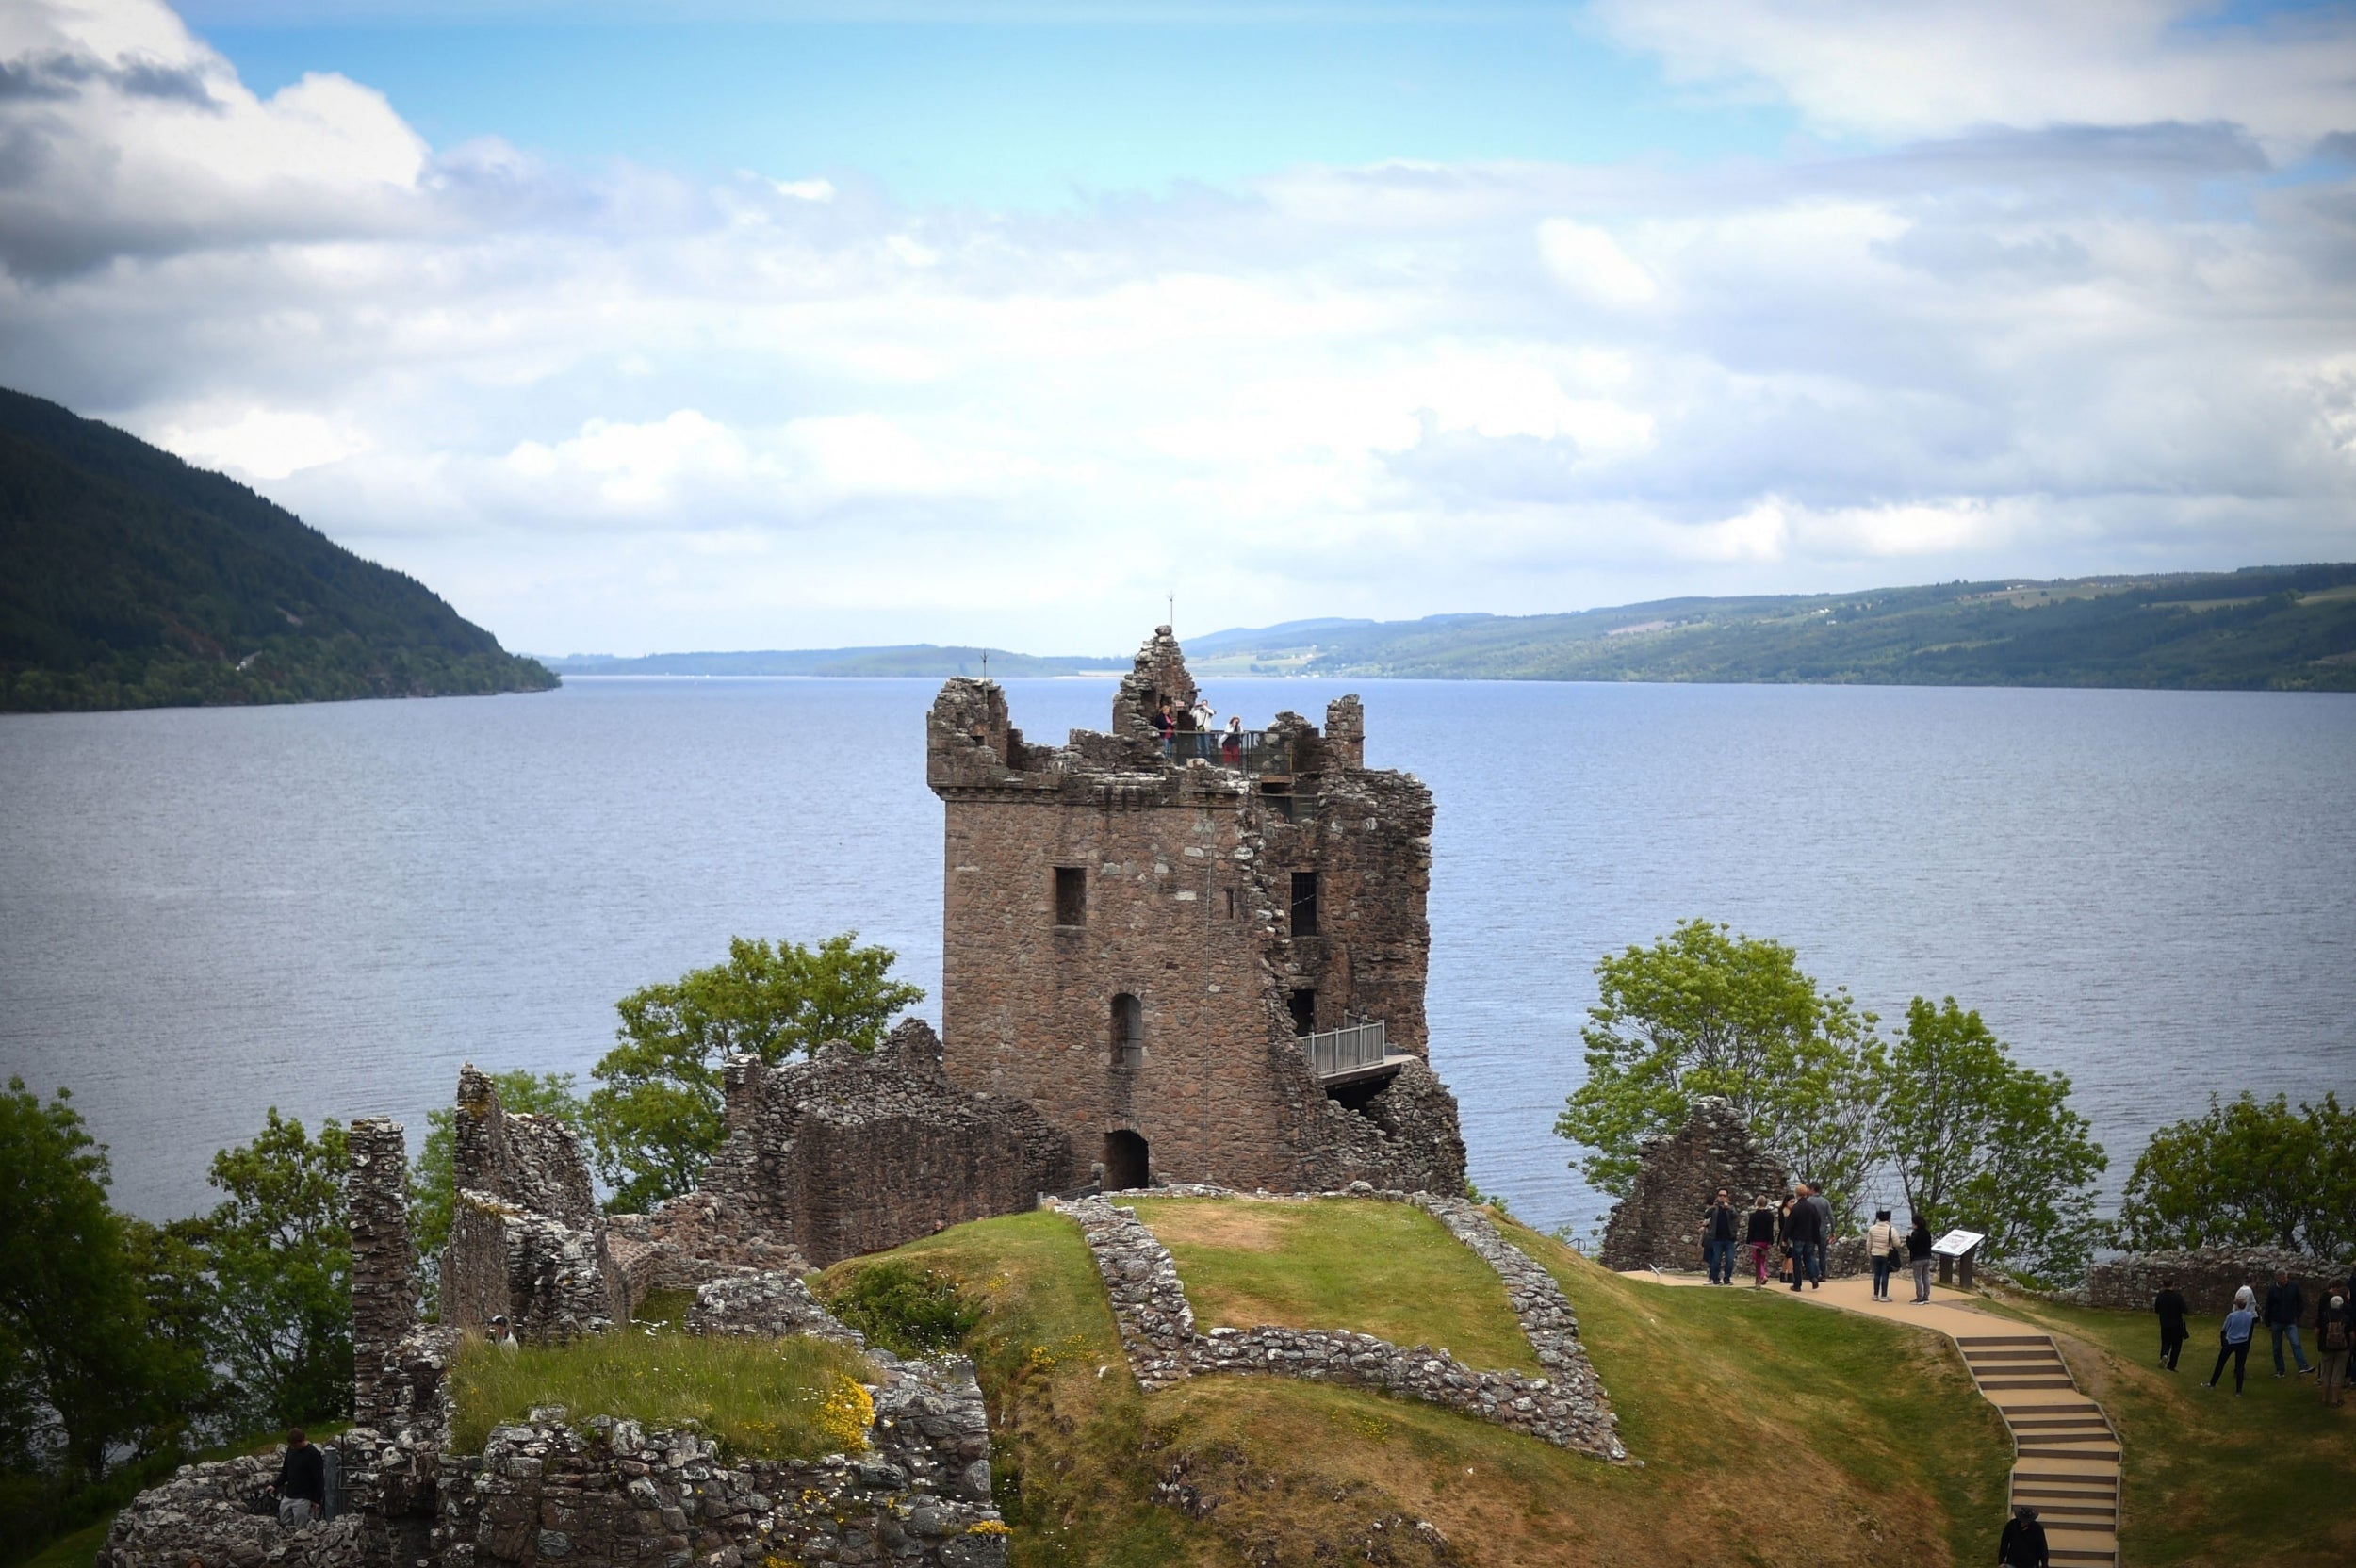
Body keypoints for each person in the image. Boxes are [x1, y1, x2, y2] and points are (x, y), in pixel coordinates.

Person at [2206, 1290, 2259, 1394]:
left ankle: (2212, 1383)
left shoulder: (2232, 1316)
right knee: (2240, 1367)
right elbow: (2256, 1319)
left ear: (2236, 1305)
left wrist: (2224, 1341)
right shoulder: (2249, 1316)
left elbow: (2224, 1329)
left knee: (2221, 1363)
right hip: (2243, 1342)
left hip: (2231, 1341)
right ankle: (2239, 1391)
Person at [2263, 1268, 2310, 1379]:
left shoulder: (2294, 1287)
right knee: (2277, 1347)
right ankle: (2280, 1370)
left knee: (2296, 1343)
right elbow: (2268, 1306)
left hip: (2290, 1321)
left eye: (2286, 1279)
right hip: (2276, 1321)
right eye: (2283, 1280)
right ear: (2277, 1280)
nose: (2285, 1282)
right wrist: (2268, 1321)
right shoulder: (2273, 1290)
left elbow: (2300, 1302)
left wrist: (2296, 1316)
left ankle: (2303, 1366)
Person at [277, 1429, 324, 1527]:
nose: (293, 1447)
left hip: (304, 1497)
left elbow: (318, 1478)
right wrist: (274, 1485)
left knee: (300, 1527)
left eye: (294, 1445)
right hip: (289, 1495)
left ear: (301, 1441)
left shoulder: (313, 1454)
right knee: (284, 1523)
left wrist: (316, 1500)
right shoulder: (291, 1450)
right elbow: (285, 1471)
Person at [2316, 1291, 2350, 1408]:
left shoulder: (2324, 1316)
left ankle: (2324, 1398)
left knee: (2326, 1373)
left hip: (2326, 1348)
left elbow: (2317, 1331)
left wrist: (2320, 1342)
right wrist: (2350, 1346)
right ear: (2341, 1305)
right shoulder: (2345, 1318)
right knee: (2338, 1374)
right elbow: (2351, 1335)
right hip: (2342, 1349)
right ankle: (2335, 1400)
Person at [1786, 1184, 1822, 1291]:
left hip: (1798, 1238)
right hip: (1810, 1237)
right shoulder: (1812, 1207)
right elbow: (1817, 1221)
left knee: (1796, 1260)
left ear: (1797, 1194)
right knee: (1809, 1258)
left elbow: (1790, 1224)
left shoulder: (1796, 1208)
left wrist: (1785, 1238)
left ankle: (1797, 1284)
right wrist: (1816, 1236)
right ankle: (1813, 1277)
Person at [1703, 1187, 1740, 1285]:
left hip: (1729, 1239)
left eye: (1724, 1196)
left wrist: (1728, 1208)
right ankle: (1716, 1279)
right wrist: (1713, 1207)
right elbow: (1706, 1215)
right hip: (1717, 1239)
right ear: (1717, 1196)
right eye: (1720, 1195)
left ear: (1727, 1197)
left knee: (1730, 1260)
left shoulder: (1730, 1208)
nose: (1722, 1197)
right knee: (1716, 1260)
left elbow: (1735, 1215)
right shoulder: (1714, 1208)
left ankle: (1727, 1279)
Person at [1998, 1503, 2050, 1568]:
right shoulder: (2011, 1525)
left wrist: (2044, 1564)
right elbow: (2004, 1543)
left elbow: (2043, 1547)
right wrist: (2001, 1561)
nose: (2024, 1523)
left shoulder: (2037, 1529)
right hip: (2013, 1562)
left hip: (2031, 1563)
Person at [2153, 1279, 2189, 1372]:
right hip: (2177, 1325)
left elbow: (2156, 1309)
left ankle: (2164, 1355)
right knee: (2176, 1346)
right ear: (2173, 1284)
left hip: (2165, 1324)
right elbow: (2185, 1309)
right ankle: (2171, 1366)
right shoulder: (2177, 1296)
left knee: (2165, 1342)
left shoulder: (2160, 1296)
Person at [1804, 1181, 1834, 1289]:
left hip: (1811, 1231)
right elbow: (1831, 1217)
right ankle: (1823, 1274)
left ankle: (1815, 1273)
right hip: (1822, 1231)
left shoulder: (1808, 1201)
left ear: (1812, 1189)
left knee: (1810, 1253)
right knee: (1822, 1254)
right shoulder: (1825, 1202)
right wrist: (1833, 1232)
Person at [1866, 1208, 1900, 1301]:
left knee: (1877, 1274)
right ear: (1888, 1219)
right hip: (1886, 1254)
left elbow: (1869, 1243)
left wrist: (1869, 1254)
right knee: (1885, 1275)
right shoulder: (1891, 1230)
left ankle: (1875, 1295)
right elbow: (1897, 1243)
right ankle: (1884, 1295)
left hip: (1875, 1254)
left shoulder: (1872, 1229)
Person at [1746, 1195, 1776, 1287]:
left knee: (1756, 1259)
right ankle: (1760, 1276)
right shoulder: (1770, 1216)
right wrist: (1771, 1241)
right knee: (1762, 1259)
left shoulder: (1754, 1216)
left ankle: (1763, 1275)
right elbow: (1770, 1229)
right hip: (1765, 1241)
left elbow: (1750, 1229)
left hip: (1756, 1240)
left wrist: (1748, 1241)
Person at [1906, 1213, 1935, 1303]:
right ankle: (1926, 1297)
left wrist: (1908, 1238)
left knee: (1918, 1278)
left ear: (1916, 1224)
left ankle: (1919, 1297)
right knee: (1926, 1277)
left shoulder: (1916, 1233)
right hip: (1927, 1257)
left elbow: (1911, 1246)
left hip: (1917, 1258)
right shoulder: (1927, 1233)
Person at [1776, 1194, 1799, 1287]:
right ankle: (1790, 1275)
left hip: (1789, 1235)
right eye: (1791, 1202)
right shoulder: (1784, 1212)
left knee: (1787, 1256)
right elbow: (1783, 1226)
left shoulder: (1791, 1211)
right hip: (1786, 1236)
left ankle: (1782, 1275)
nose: (1793, 1204)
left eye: (1794, 1202)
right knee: (1790, 1255)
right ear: (1786, 1203)